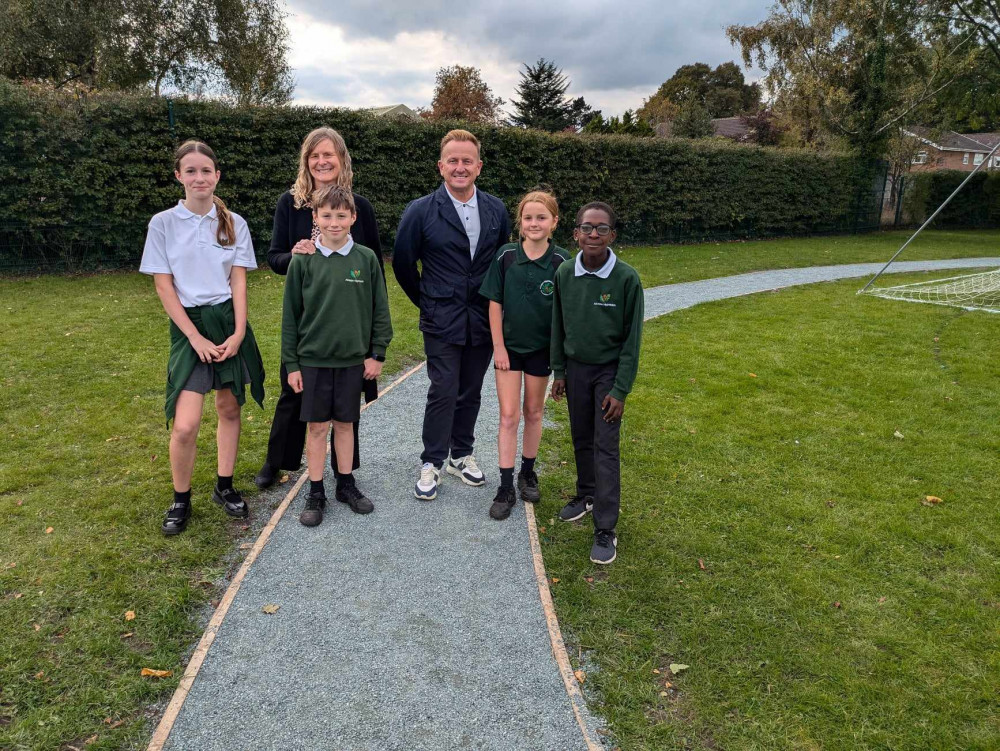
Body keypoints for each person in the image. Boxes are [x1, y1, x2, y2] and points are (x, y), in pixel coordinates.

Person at [140, 140, 265, 536]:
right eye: (190, 171)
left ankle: (224, 486)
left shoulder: (234, 223)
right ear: (178, 176)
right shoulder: (162, 224)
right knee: (185, 424)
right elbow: (164, 286)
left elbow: (239, 282)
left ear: (217, 176)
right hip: (189, 328)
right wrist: (193, 337)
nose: (199, 178)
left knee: (229, 409)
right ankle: (181, 498)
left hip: (228, 322)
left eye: (206, 171)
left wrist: (240, 331)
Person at [255, 127, 384, 490]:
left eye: (329, 154)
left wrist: (375, 340)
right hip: (308, 318)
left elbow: (372, 264)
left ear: (342, 159)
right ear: (306, 161)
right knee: (293, 391)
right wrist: (294, 254)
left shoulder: (358, 206)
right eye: (315, 155)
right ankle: (279, 460)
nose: (322, 161)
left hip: (348, 321)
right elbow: (274, 257)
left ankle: (345, 474)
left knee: (346, 405)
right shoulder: (291, 203)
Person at [393, 129, 512, 501]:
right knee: (443, 388)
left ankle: (462, 453)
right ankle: (432, 460)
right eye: (453, 161)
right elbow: (401, 263)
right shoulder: (421, 210)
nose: (460, 168)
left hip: (481, 316)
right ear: (441, 166)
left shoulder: (496, 209)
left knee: (470, 389)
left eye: (467, 161)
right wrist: (428, 300)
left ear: (479, 166)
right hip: (440, 316)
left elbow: (502, 261)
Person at [281, 185, 393, 526]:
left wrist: (377, 353)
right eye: (326, 215)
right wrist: (292, 364)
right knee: (316, 427)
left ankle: (346, 483)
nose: (334, 222)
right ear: (315, 218)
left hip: (352, 361)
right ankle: (316, 490)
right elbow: (291, 316)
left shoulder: (366, 259)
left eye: (341, 215)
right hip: (313, 361)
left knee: (346, 424)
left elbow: (380, 310)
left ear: (353, 218)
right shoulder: (303, 260)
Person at [550, 202, 643, 564]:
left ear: (612, 235)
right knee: (581, 437)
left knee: (605, 446)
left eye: (601, 229)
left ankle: (606, 527)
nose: (593, 234)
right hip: (575, 369)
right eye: (586, 227)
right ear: (575, 233)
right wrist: (559, 370)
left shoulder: (626, 279)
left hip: (608, 373)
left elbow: (631, 341)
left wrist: (620, 389)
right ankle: (586, 495)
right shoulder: (564, 275)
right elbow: (557, 324)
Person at [478, 190, 569, 520]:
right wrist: (499, 347)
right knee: (508, 416)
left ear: (554, 222)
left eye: (541, 217)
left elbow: (564, 312)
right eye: (528, 217)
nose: (534, 223)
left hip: (541, 352)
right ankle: (505, 485)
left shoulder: (561, 262)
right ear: (521, 222)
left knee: (533, 412)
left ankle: (527, 472)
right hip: (509, 351)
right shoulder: (506, 256)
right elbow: (494, 304)